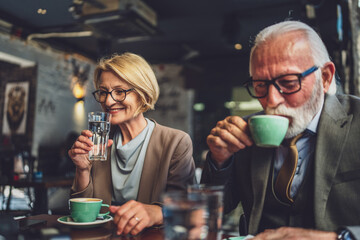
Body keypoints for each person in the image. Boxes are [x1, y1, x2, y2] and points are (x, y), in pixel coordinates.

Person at [202, 20, 360, 240]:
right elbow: (212, 210)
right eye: (260, 85)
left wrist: (338, 237)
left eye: (288, 82)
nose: (271, 101)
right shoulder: (245, 132)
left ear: (325, 78)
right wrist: (220, 161)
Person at [68, 52, 195, 236]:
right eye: (103, 92)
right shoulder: (98, 142)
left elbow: (186, 208)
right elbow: (83, 216)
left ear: (142, 93)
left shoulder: (176, 142)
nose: (109, 101)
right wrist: (83, 170)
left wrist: (156, 213)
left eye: (120, 91)